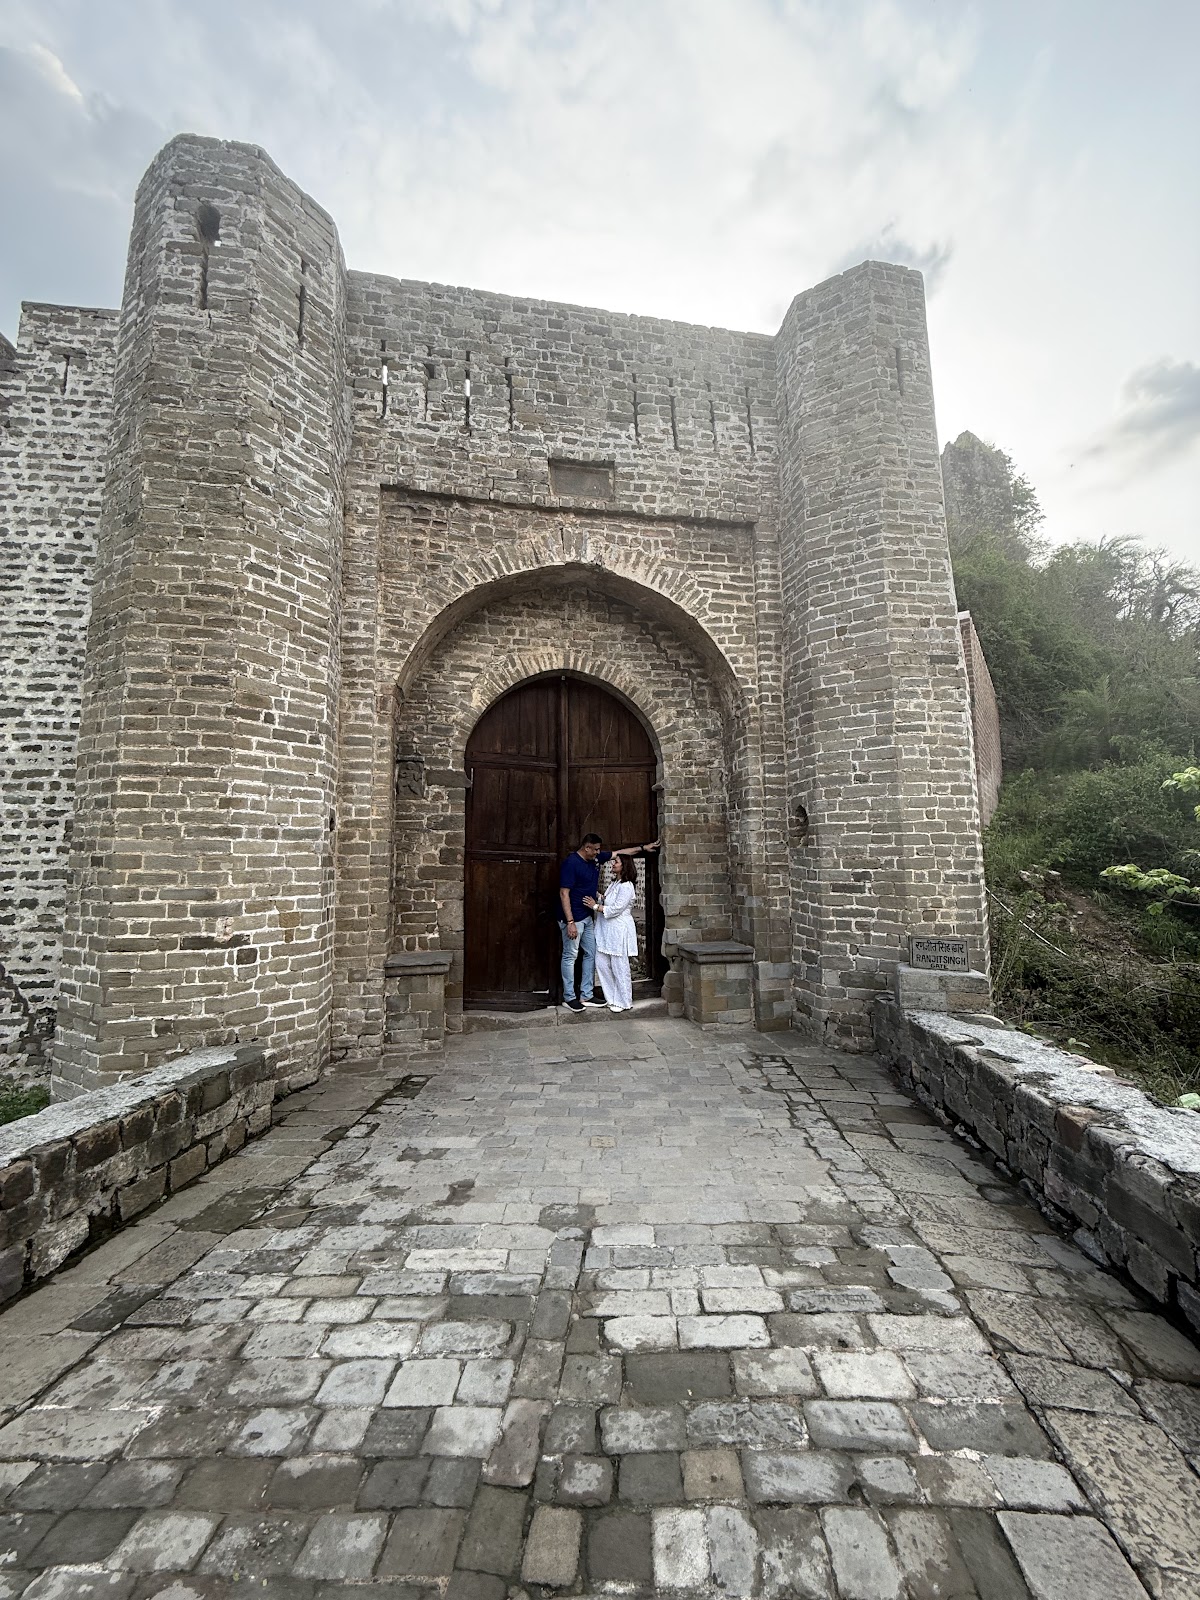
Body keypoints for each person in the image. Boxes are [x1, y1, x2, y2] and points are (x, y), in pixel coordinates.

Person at [559, 832, 657, 1012]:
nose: (599, 853)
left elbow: (620, 852)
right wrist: (570, 921)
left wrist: (643, 848)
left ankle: (587, 994)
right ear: (587, 848)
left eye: (599, 850)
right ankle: (569, 997)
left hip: (589, 917)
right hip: (574, 918)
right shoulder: (571, 863)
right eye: (595, 849)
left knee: (591, 954)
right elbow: (564, 893)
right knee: (571, 955)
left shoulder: (603, 866)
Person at [592, 853, 639, 1012]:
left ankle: (624, 1001)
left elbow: (616, 909)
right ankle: (611, 997)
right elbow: (607, 901)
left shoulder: (627, 886)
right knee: (602, 964)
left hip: (619, 930)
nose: (613, 863)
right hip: (607, 930)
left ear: (624, 866)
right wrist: (599, 897)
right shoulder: (615, 883)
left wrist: (595, 907)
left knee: (620, 966)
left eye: (616, 862)